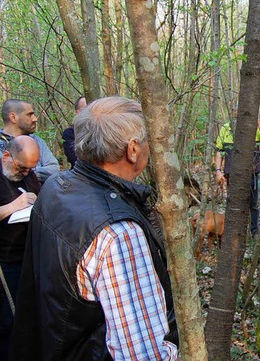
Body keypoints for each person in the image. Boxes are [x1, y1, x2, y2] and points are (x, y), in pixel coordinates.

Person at [11, 97, 178, 360]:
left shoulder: (55, 187)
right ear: (133, 149)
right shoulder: (119, 233)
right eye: (148, 142)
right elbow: (142, 352)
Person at [0, 136, 40, 360]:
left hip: (29, 257)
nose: (26, 173)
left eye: (30, 169)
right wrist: (12, 207)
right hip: (5, 264)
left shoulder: (29, 176)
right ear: (7, 157)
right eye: (22, 168)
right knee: (9, 321)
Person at [213, 116, 260, 237]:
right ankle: (232, 231)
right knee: (233, 203)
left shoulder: (253, 127)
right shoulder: (226, 128)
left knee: (253, 204)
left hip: (252, 173)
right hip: (232, 174)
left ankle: (254, 232)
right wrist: (218, 171)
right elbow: (219, 150)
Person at [0, 99, 59, 183]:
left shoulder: (36, 141)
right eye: (29, 115)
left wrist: (24, 171)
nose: (35, 119)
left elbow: (54, 169)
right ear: (13, 117)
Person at [61, 96, 87, 168]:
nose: (89, 112)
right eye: (86, 108)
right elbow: (74, 159)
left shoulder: (102, 132)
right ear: (77, 112)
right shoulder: (69, 134)